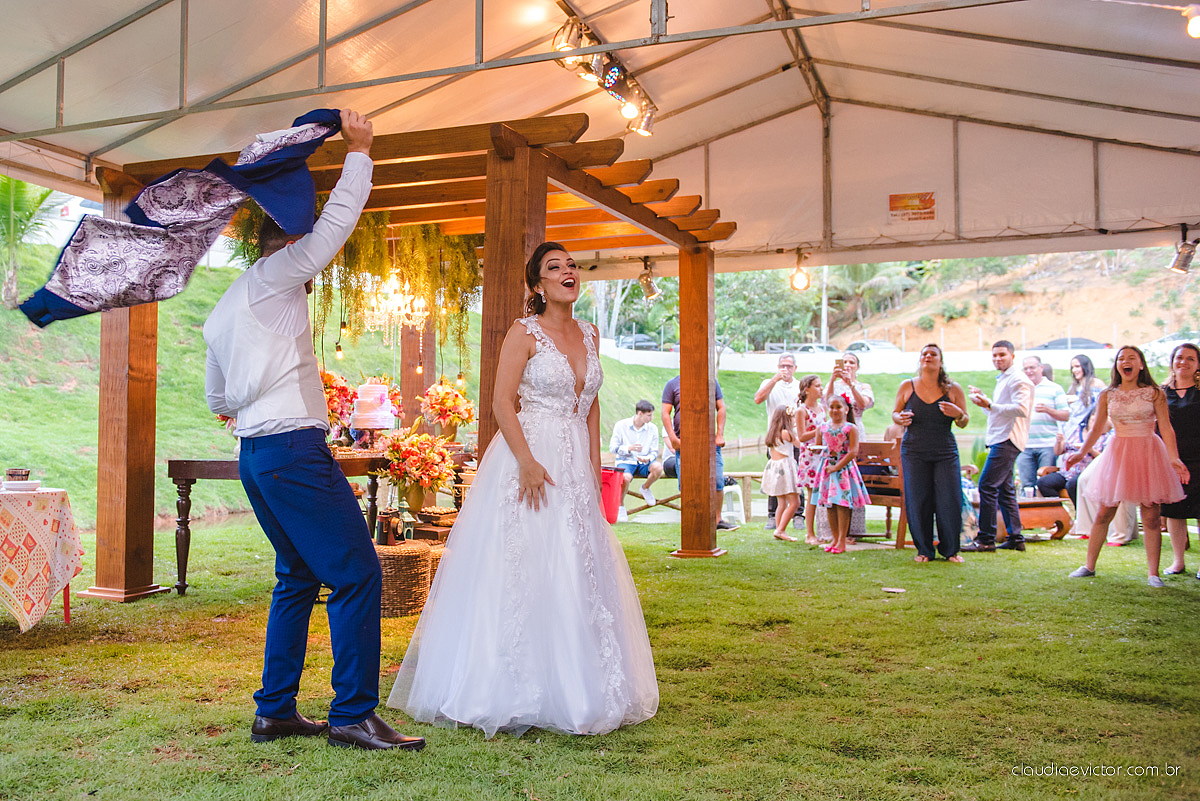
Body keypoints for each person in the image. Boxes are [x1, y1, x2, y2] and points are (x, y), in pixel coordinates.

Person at [204, 111, 424, 751]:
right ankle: (353, 713)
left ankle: (274, 711)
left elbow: (217, 398)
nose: (314, 268)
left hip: (256, 453)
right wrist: (360, 152)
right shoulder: (277, 274)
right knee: (357, 573)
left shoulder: (224, 307)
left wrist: (250, 398)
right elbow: (334, 228)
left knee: (298, 575)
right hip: (293, 450)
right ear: (288, 243)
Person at [389, 242, 658, 737]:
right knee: (528, 556)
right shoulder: (523, 332)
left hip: (575, 459)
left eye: (571, 265)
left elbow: (591, 406)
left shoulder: (591, 333)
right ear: (538, 285)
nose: (568, 271)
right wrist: (528, 463)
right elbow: (500, 401)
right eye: (555, 267)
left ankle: (580, 683)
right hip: (530, 455)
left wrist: (594, 469)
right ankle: (510, 685)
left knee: (577, 559)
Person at [1066, 346, 1188, 586]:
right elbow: (1097, 428)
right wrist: (1081, 452)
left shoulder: (1154, 393)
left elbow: (1166, 427)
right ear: (1117, 365)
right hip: (1118, 453)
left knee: (1151, 515)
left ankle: (1153, 573)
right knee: (1104, 511)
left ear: (1141, 365)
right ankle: (1089, 566)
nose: (1125, 362)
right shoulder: (1107, 394)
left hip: (1148, 452)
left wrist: (1174, 458)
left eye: (1131, 358)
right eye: (1121, 358)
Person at [891, 344, 969, 563]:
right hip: (914, 451)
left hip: (945, 451)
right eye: (924, 353)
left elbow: (963, 421)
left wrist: (958, 413)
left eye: (933, 354)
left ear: (940, 361)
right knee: (918, 499)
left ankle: (951, 550)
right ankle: (924, 550)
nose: (928, 357)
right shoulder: (907, 386)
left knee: (949, 499)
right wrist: (899, 418)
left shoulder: (953, 389)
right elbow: (895, 413)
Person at [962, 341, 1033, 553]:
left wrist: (990, 404)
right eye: (994, 355)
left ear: (1012, 356)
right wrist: (985, 402)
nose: (997, 359)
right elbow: (998, 412)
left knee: (986, 485)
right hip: (1001, 437)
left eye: (1002, 355)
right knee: (1005, 489)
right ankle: (1016, 538)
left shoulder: (1018, 379)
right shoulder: (1005, 379)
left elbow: (1022, 409)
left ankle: (986, 538)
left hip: (1008, 439)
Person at [662, 373, 738, 530]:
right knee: (687, 483)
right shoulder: (672, 384)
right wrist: (673, 438)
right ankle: (692, 520)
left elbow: (721, 407)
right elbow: (665, 413)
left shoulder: (711, 382)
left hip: (709, 442)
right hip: (684, 443)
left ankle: (717, 520)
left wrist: (720, 434)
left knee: (717, 480)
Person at [1160, 343, 1200, 578]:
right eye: (1179, 357)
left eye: (1190, 359)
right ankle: (1178, 561)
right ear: (1172, 362)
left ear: (1198, 365)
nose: (1184, 362)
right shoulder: (1161, 392)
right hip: (1171, 460)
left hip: (1199, 459)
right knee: (1175, 511)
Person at [815, 396, 869, 554]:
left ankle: (842, 540)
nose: (834, 410)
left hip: (844, 469)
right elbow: (819, 447)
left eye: (838, 407)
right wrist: (815, 451)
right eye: (831, 407)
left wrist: (837, 466)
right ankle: (834, 537)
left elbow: (853, 451)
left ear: (846, 409)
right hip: (827, 468)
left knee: (842, 503)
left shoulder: (850, 428)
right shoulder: (822, 427)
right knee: (829, 503)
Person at [754, 353, 801, 531]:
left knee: (797, 477)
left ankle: (798, 515)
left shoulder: (798, 386)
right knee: (777, 479)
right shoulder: (769, 383)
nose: (785, 369)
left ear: (795, 368)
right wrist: (775, 379)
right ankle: (773, 516)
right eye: (782, 366)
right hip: (776, 439)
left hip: (794, 436)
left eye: (789, 366)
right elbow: (758, 399)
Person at [1017, 355, 1068, 489]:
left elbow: (1066, 415)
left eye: (1032, 368)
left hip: (1047, 445)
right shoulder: (1019, 389)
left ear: (1041, 368)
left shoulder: (1054, 388)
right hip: (1024, 445)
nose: (1029, 371)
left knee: (1045, 484)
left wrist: (1048, 410)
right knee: (1027, 486)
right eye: (1025, 369)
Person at [793, 374, 827, 545]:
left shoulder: (822, 408)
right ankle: (809, 533)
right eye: (817, 386)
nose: (821, 389)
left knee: (823, 493)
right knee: (812, 494)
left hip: (823, 453)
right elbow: (801, 436)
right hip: (809, 456)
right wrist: (820, 430)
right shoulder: (802, 411)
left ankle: (824, 530)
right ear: (807, 389)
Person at [609, 399, 663, 506]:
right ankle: (620, 505)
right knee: (625, 478)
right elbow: (612, 448)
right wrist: (628, 448)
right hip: (626, 461)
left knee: (658, 468)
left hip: (644, 463)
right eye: (649, 415)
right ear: (640, 413)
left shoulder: (653, 428)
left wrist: (648, 458)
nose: (652, 418)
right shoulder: (621, 425)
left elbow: (654, 451)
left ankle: (645, 488)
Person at [762, 405, 801, 542]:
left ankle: (779, 530)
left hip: (775, 469)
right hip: (785, 469)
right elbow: (800, 444)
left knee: (782, 503)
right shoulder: (786, 433)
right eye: (792, 417)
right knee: (795, 502)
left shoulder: (773, 433)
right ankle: (780, 530)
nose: (794, 420)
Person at [825, 352, 874, 437]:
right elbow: (827, 402)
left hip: (855, 425)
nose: (847, 365)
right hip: (835, 426)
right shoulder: (833, 385)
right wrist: (832, 379)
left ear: (857, 367)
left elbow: (863, 404)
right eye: (844, 362)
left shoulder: (863, 387)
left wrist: (851, 384)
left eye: (852, 362)